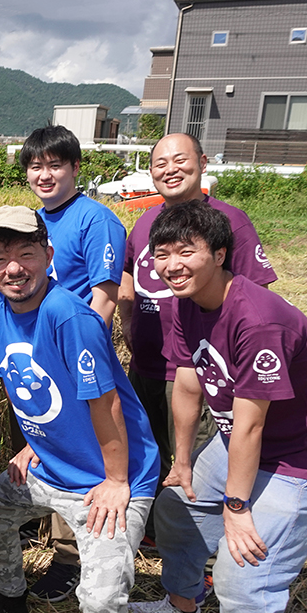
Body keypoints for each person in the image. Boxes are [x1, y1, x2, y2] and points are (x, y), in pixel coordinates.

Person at [129, 202, 307, 613]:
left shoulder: (258, 318)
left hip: (302, 456)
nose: (172, 265)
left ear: (221, 254)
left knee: (243, 569)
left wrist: (236, 504)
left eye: (187, 252)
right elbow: (186, 380)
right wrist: (182, 462)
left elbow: (251, 424)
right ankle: (184, 608)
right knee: (176, 512)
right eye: (162, 254)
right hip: (240, 442)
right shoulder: (179, 302)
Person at [0, 206, 159, 613]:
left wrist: (116, 481)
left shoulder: (70, 315)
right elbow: (24, 386)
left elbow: (104, 403)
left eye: (25, 253)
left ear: (47, 255)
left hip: (110, 478)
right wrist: (32, 444)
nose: (12, 268)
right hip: (49, 465)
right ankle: (11, 600)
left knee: (103, 596)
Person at [118, 134, 277, 521]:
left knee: (198, 455)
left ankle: (203, 542)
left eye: (180, 160)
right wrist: (127, 324)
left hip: (195, 365)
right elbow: (126, 274)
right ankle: (157, 527)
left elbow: (254, 296)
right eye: (160, 163)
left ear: (203, 162)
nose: (170, 169)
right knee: (149, 448)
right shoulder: (145, 222)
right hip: (146, 361)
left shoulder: (229, 221)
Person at [17, 126, 128, 602]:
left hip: (75, 361)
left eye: (55, 165)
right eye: (36, 166)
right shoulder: (34, 221)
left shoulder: (95, 220)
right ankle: (43, 526)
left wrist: (78, 361)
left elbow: (104, 298)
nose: (45, 175)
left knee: (83, 453)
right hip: (35, 357)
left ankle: (69, 557)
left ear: (75, 168)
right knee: (47, 441)